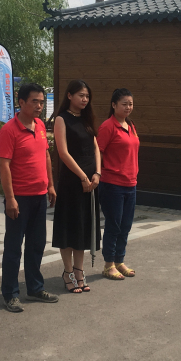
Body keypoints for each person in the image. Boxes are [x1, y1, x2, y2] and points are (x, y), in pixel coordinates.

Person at [0, 83, 59, 312]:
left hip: (39, 196)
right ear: (21, 102)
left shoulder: (40, 126)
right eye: (35, 101)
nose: (39, 106)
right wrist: (10, 198)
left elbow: (46, 157)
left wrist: (50, 185)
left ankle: (34, 288)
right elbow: (4, 166)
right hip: (20, 198)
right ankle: (10, 294)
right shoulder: (9, 130)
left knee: (36, 244)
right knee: (14, 247)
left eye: (42, 102)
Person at [52, 79, 101, 293]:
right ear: (69, 95)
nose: (85, 99)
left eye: (87, 96)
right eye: (81, 95)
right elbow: (63, 152)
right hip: (72, 182)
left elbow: (96, 148)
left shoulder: (87, 119)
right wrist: (82, 176)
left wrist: (97, 173)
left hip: (90, 182)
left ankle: (80, 271)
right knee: (68, 228)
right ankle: (68, 271)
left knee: (82, 227)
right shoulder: (62, 119)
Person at [97, 88, 140, 281]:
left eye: (130, 104)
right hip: (112, 184)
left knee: (125, 225)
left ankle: (119, 260)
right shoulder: (108, 126)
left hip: (131, 183)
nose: (128, 107)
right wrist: (99, 173)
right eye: (124, 104)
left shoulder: (130, 125)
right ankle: (109, 265)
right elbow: (98, 152)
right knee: (113, 226)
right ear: (114, 105)